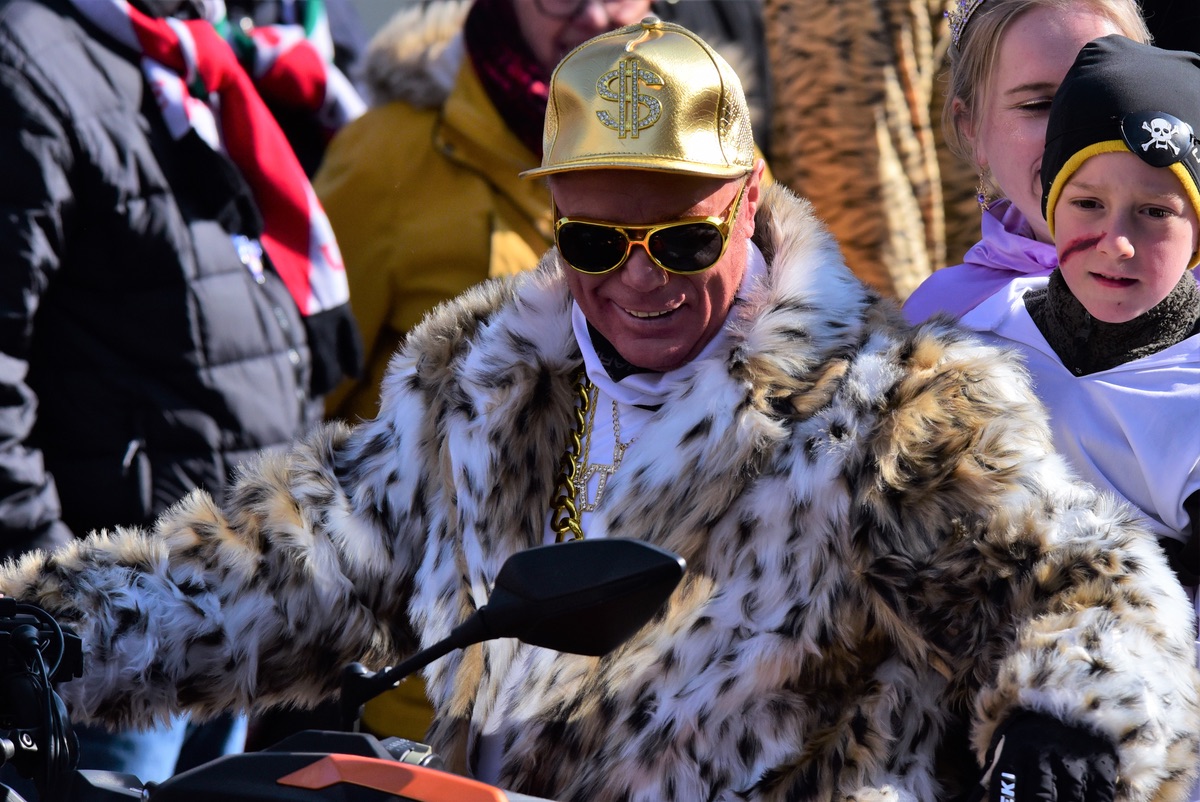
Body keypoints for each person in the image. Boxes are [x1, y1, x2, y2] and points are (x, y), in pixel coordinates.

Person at [2, 16, 1199, 802]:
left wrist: (1072, 723)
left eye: (681, 238)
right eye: (594, 238)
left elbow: (1098, 591)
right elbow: (296, 558)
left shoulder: (885, 409)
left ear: (748, 204)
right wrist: (56, 632)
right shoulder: (477, 390)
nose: (639, 278)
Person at [0, 0, 361, 788]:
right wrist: (56, 606)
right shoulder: (32, 59)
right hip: (111, 635)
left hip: (221, 609)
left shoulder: (180, 54)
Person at [954, 33, 1200, 796]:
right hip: (963, 702)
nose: (1117, 243)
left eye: (1155, 212)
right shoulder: (967, 328)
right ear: (1049, 204)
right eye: (1088, 204)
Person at [902, 0, 1153, 324]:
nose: (1074, 134)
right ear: (971, 125)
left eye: (1103, 95)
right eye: (1038, 105)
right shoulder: (939, 317)